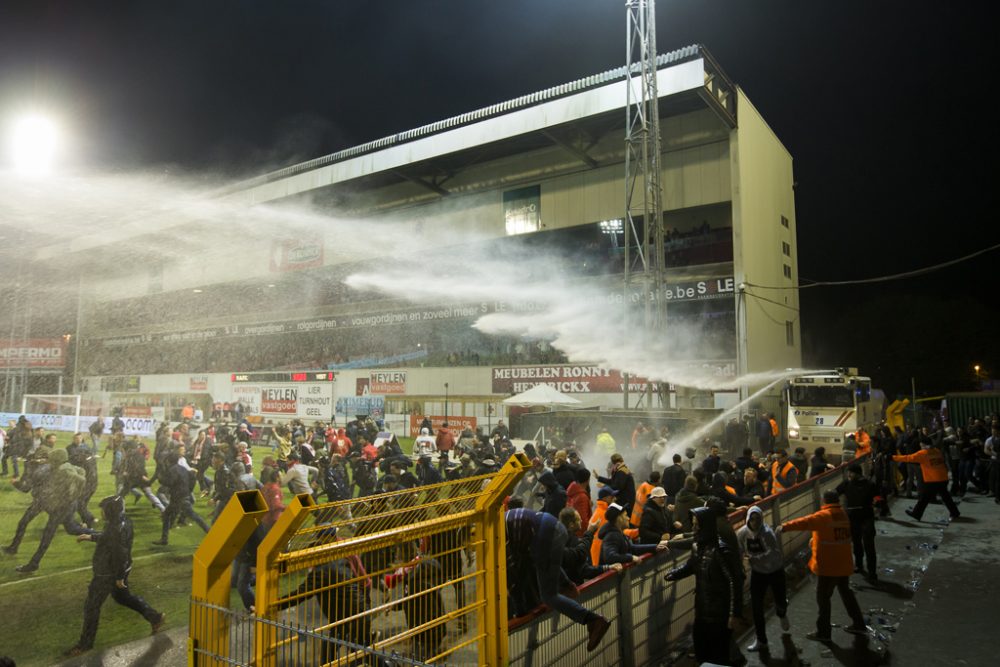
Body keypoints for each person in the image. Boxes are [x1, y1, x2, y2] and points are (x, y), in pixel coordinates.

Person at [64, 496, 166, 656]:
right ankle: (155, 617)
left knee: (91, 607)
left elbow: (120, 553)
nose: (101, 512)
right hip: (116, 571)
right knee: (123, 598)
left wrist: (119, 577)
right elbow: (110, 538)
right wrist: (91, 537)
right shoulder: (121, 522)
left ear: (110, 511)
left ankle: (85, 645)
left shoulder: (115, 528)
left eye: (103, 510)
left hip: (107, 574)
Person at [505, 507, 611, 651]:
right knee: (537, 564)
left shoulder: (496, 540)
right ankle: (573, 594)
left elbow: (514, 576)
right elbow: (537, 564)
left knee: (549, 596)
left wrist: (519, 610)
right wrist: (566, 582)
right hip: (551, 526)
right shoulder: (502, 527)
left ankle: (592, 620)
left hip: (544, 533)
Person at [779, 490, 867, 642]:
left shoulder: (823, 515)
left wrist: (784, 527)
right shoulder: (842, 514)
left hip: (828, 566)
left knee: (823, 599)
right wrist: (815, 541)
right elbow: (834, 534)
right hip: (843, 563)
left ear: (824, 501)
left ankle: (824, 632)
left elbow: (805, 522)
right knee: (846, 594)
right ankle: (859, 624)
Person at [665, 506, 741, 665]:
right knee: (703, 652)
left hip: (719, 613)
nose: (693, 528)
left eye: (696, 525)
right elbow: (692, 566)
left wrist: (733, 614)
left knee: (719, 656)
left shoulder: (721, 550)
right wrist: (674, 574)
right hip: (702, 610)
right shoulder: (698, 546)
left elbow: (734, 581)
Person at [737, 506, 789, 652]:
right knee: (756, 607)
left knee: (780, 600)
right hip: (758, 573)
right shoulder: (742, 533)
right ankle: (761, 640)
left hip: (775, 571)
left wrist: (752, 558)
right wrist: (741, 564)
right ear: (748, 519)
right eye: (752, 519)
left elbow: (772, 553)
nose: (755, 522)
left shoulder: (767, 533)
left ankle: (782, 613)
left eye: (758, 519)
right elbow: (739, 550)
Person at [893, 439, 961, 520]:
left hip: (932, 480)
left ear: (925, 445)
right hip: (942, 477)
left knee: (924, 498)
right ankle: (955, 512)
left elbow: (908, 458)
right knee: (945, 497)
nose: (921, 447)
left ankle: (916, 514)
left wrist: (893, 457)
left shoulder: (923, 453)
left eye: (922, 446)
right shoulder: (937, 451)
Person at [836, 463, 878, 581]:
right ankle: (859, 565)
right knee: (857, 543)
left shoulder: (869, 484)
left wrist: (878, 503)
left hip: (866, 518)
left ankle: (872, 573)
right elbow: (835, 493)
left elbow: (878, 497)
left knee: (869, 546)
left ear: (858, 473)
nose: (848, 475)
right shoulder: (847, 483)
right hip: (854, 518)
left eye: (851, 473)